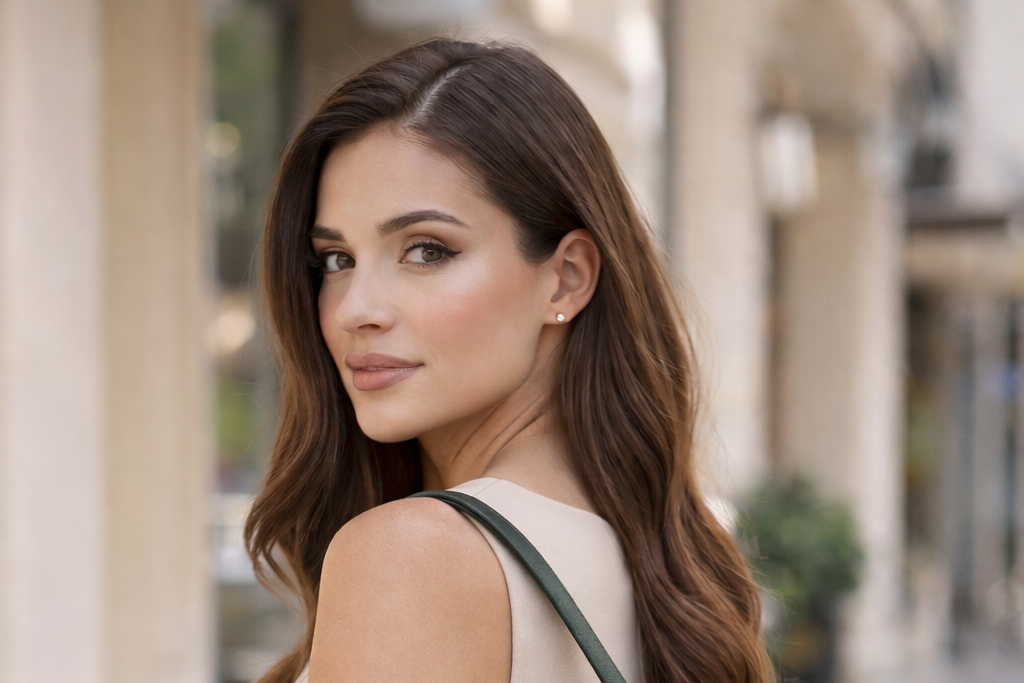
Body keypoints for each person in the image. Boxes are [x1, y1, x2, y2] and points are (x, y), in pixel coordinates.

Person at [245, 38, 770, 683]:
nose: (356, 308)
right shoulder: (652, 569)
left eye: (427, 250)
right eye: (336, 259)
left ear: (566, 279)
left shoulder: (415, 556)